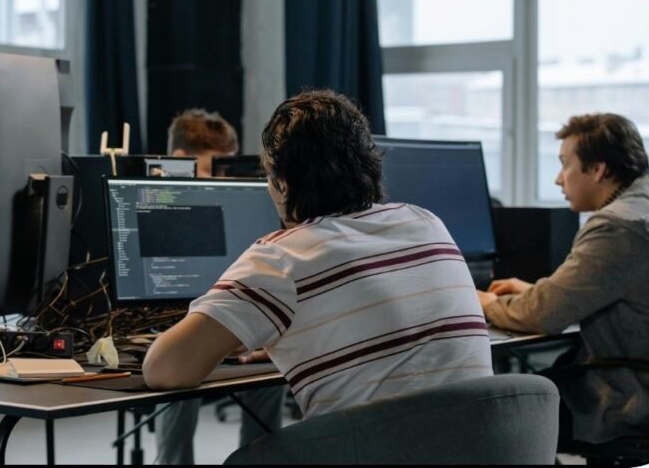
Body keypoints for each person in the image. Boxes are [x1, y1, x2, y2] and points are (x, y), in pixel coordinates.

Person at [144, 90, 492, 426]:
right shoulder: (426, 222)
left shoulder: (281, 258)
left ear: (282, 185)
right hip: (478, 449)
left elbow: (165, 369)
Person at [478, 113, 649, 445]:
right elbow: (614, 288)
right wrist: (536, 291)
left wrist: (488, 304)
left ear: (598, 170)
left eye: (566, 164)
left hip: (621, 399)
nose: (558, 179)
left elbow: (544, 315)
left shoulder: (619, 227)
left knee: (498, 415)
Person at [153, 108, 286, 465]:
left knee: (271, 370)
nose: (223, 181)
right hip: (172, 315)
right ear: (181, 160)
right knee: (180, 378)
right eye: (216, 168)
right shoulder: (154, 202)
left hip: (231, 310)